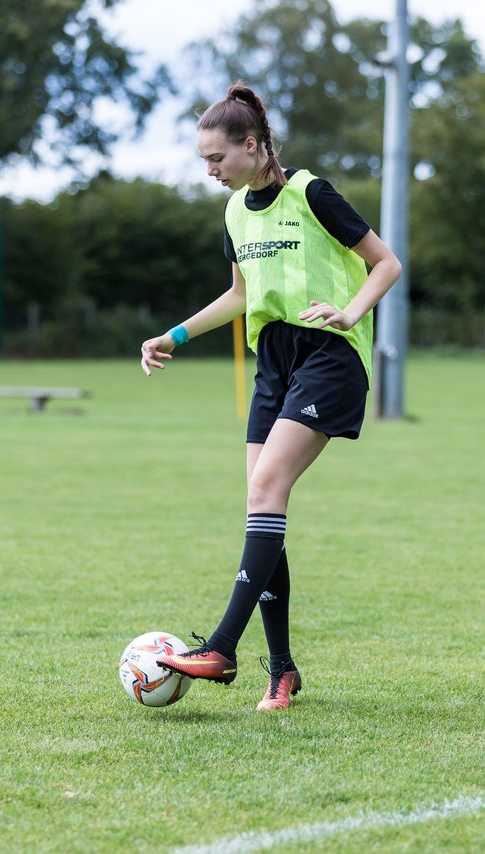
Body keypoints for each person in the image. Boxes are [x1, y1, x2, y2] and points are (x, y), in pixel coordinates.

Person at [139, 81, 401, 711]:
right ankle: (281, 669)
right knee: (263, 506)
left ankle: (223, 647)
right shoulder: (233, 213)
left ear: (252, 146)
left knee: (265, 493)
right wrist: (174, 335)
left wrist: (350, 310)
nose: (210, 171)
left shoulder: (310, 193)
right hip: (274, 363)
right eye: (203, 160)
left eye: (217, 158)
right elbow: (240, 296)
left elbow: (385, 262)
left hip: (329, 355)